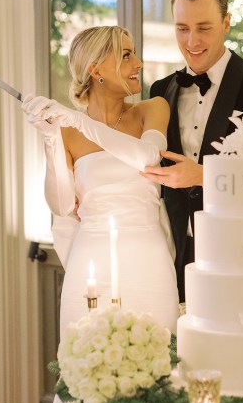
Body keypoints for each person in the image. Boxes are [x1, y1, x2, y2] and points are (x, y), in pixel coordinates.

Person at [140, 0, 243, 301]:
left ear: (226, 23)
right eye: (182, 28)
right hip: (175, 253)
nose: (191, 40)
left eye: (204, 27)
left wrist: (202, 176)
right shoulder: (160, 90)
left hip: (241, 254)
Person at [22, 25, 179, 336]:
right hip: (89, 262)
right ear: (96, 70)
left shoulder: (152, 108)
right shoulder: (66, 131)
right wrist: (51, 138)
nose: (139, 63)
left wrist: (80, 121)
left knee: (160, 362)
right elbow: (63, 204)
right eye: (126, 55)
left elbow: (147, 156)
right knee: (86, 365)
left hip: (149, 260)